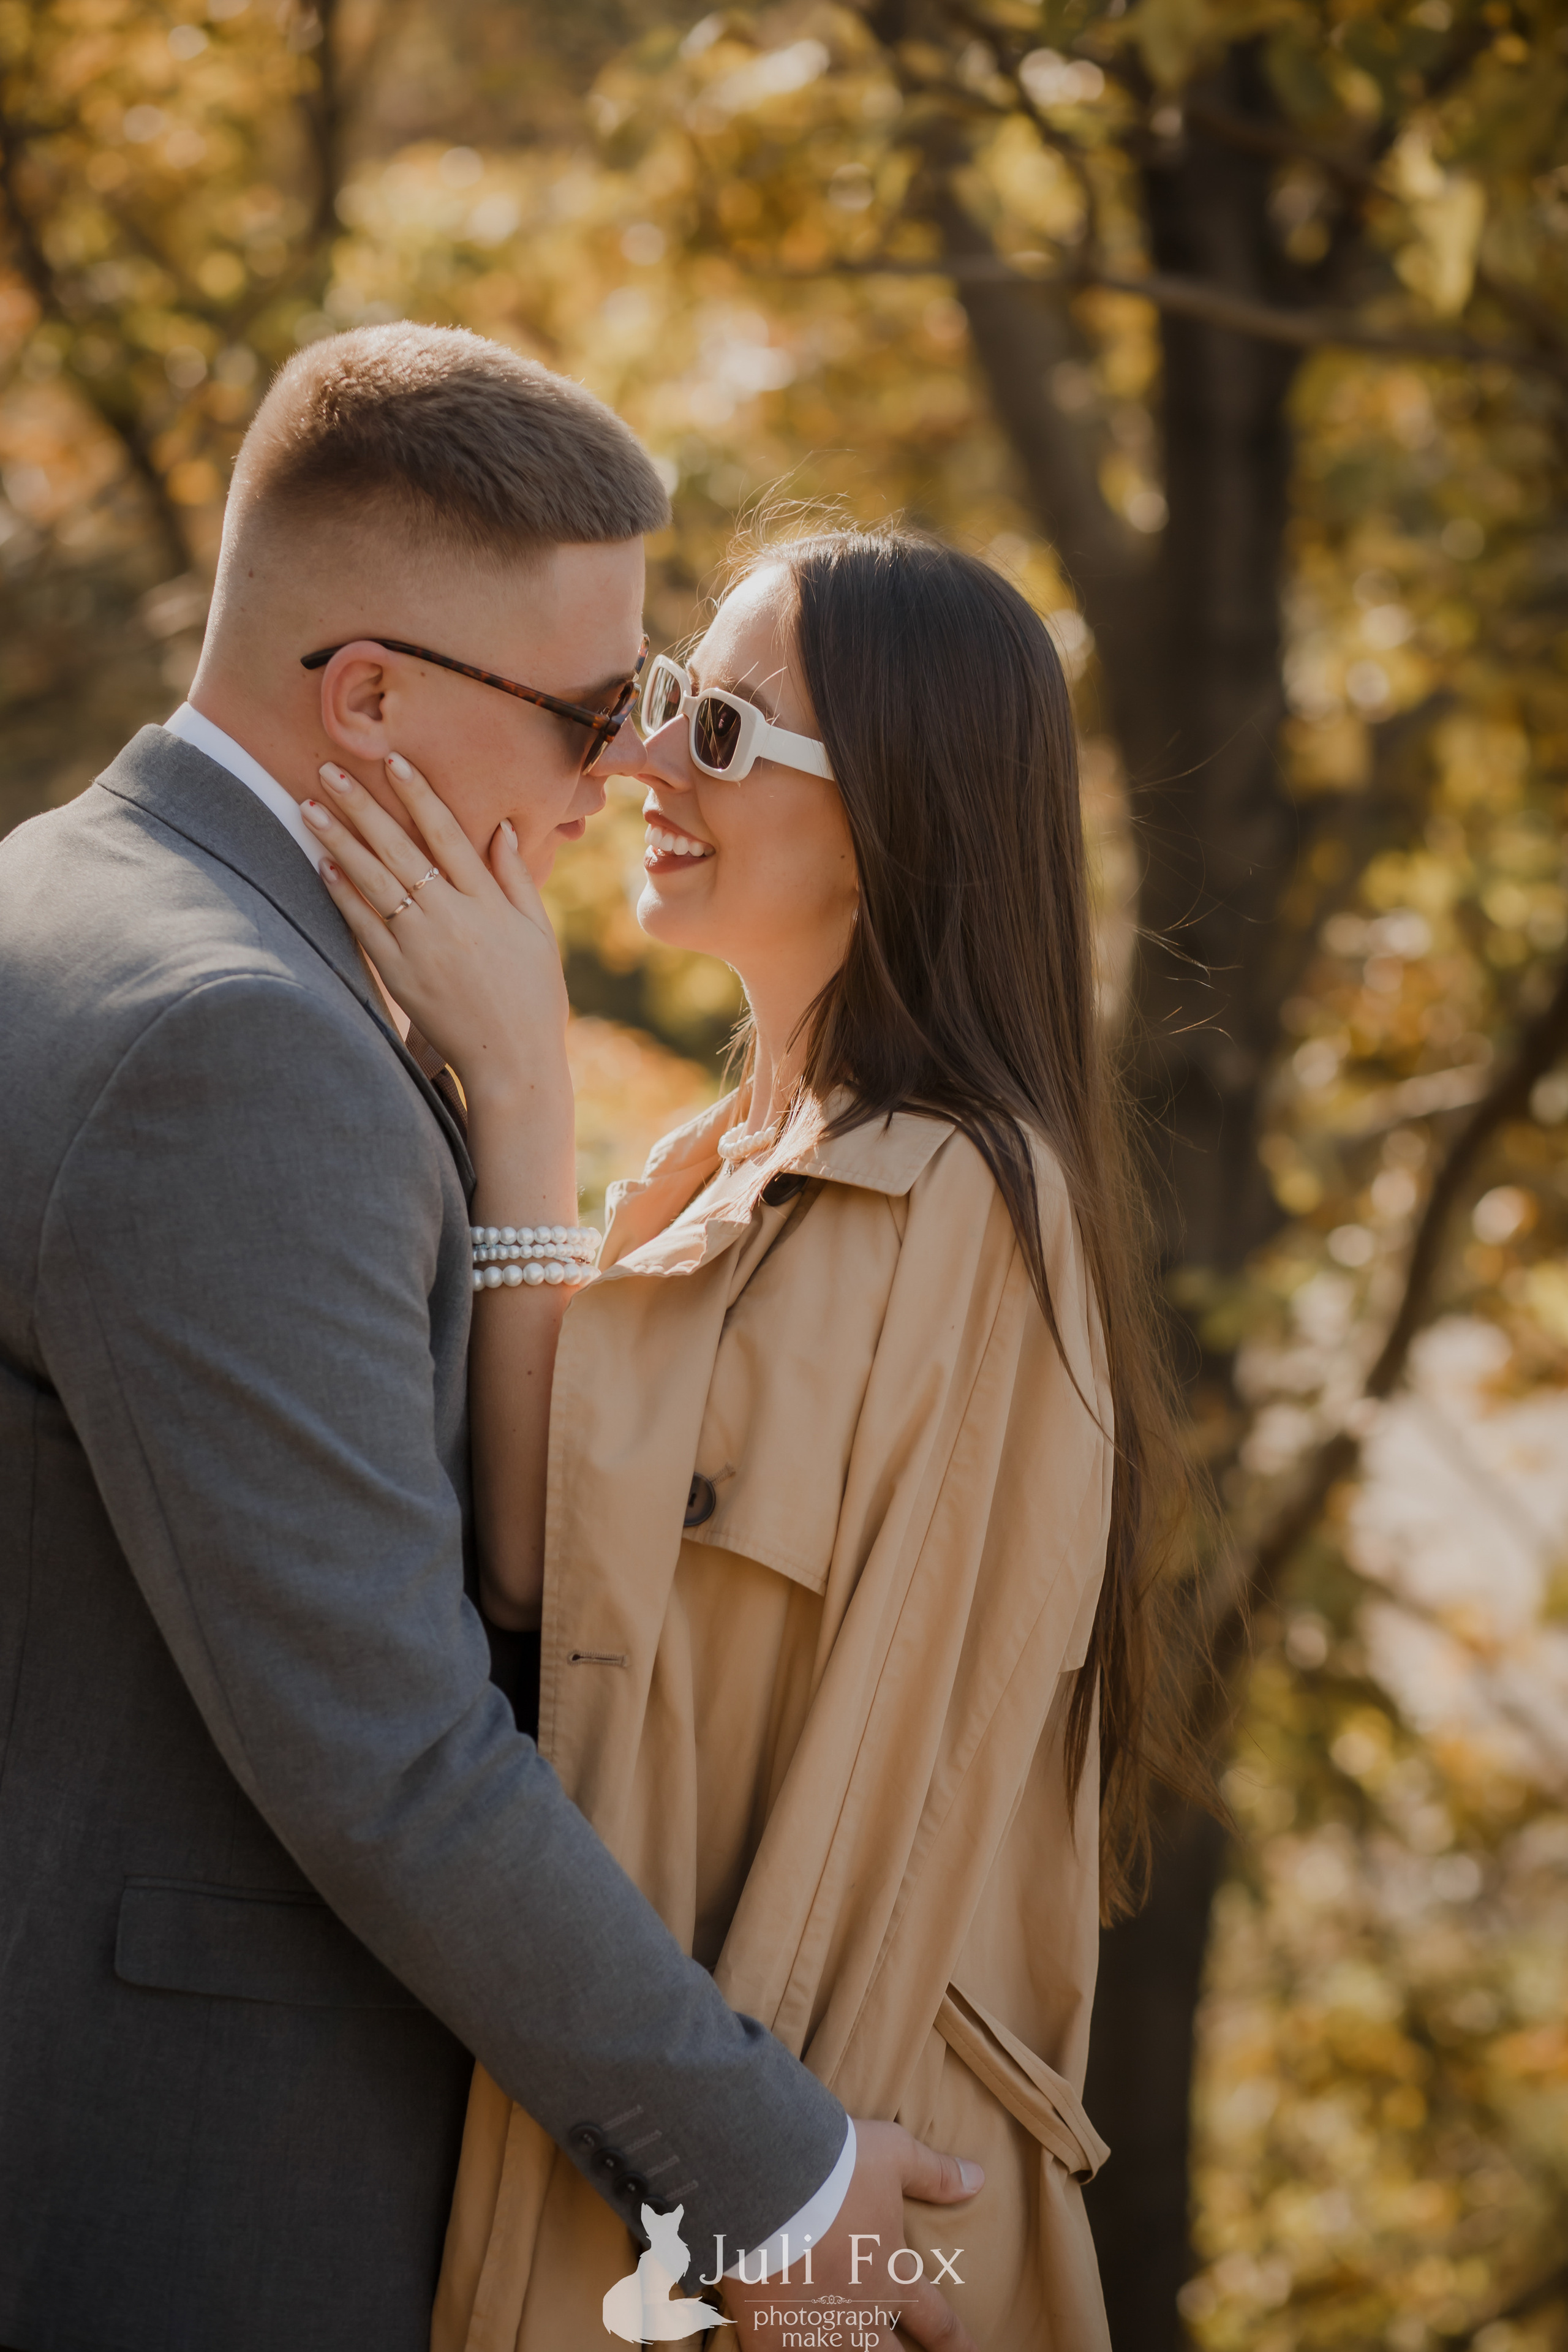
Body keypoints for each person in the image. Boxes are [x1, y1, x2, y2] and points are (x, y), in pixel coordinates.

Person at [0, 328, 981, 2352]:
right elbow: (387, 1743)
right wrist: (779, 2192)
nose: (629, 767)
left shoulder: (65, 896)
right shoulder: (236, 1045)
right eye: (596, 705)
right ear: (366, 695)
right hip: (188, 2192)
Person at [307, 522, 1197, 2347]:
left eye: (717, 733)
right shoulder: (715, 1178)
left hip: (832, 2213)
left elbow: (898, 1783)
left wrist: (782, 2237)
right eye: (658, 707)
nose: (634, 761)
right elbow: (544, 1567)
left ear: (899, 812)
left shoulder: (962, 1203)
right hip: (677, 2168)